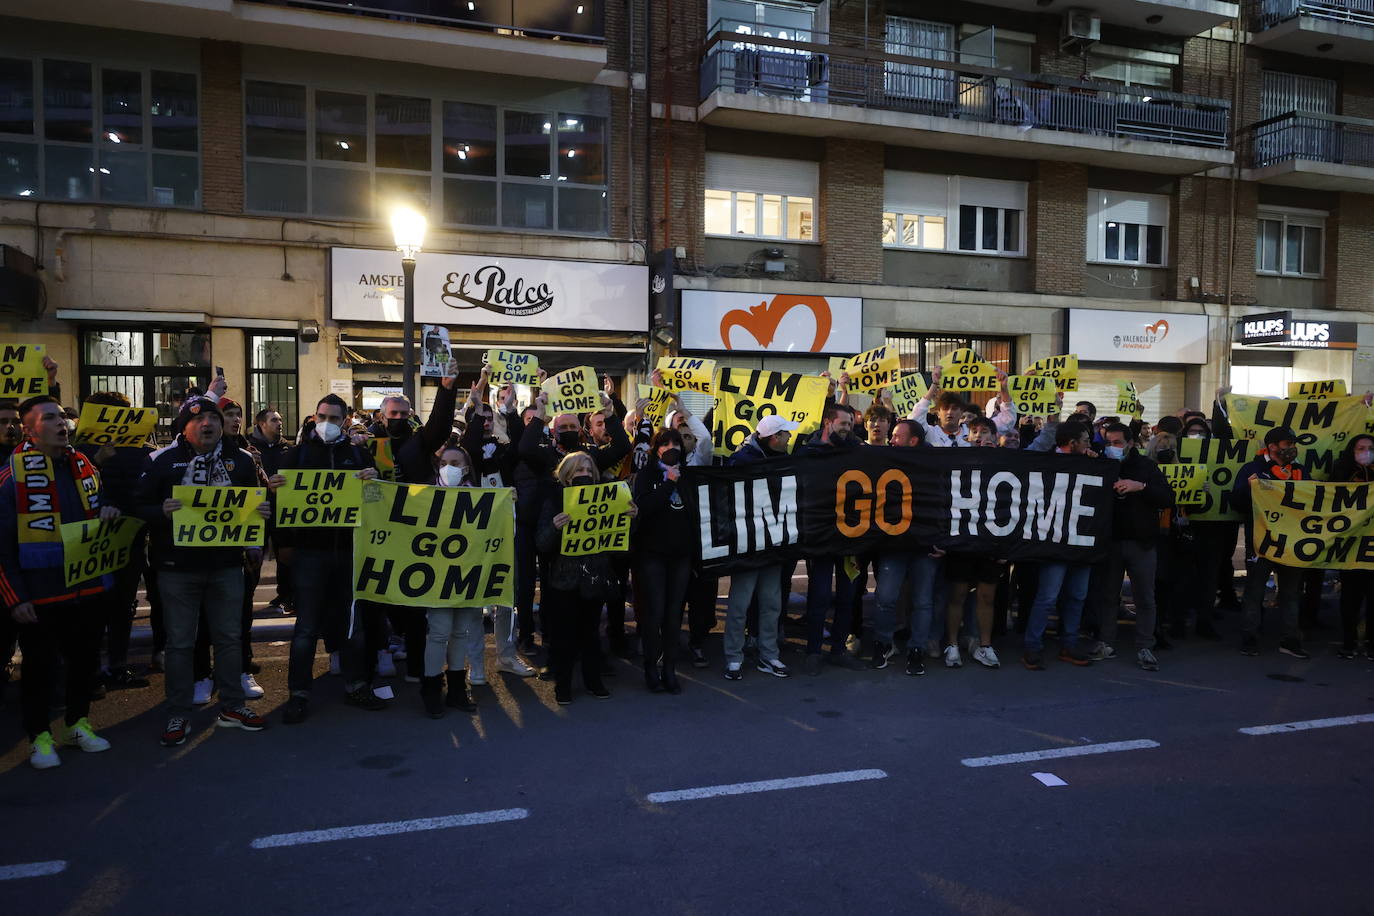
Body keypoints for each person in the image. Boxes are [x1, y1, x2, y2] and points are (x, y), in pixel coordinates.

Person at [135, 396, 270, 746]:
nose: (207, 424)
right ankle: (179, 710)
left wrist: (258, 527)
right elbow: (137, 505)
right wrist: (159, 510)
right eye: (198, 420)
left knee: (229, 638)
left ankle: (232, 706)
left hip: (225, 566)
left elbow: (251, 503)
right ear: (184, 427)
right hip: (177, 569)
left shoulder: (241, 460)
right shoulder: (161, 461)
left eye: (212, 418)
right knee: (180, 643)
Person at [0, 395, 120, 769]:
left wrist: (108, 512)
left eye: (62, 418)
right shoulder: (12, 477)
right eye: (49, 418)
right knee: (40, 669)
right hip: (40, 594)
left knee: (84, 663)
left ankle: (75, 723)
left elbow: (96, 510)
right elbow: (2, 546)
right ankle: (39, 736)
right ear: (29, 429)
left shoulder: (85, 465)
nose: (61, 424)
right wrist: (15, 597)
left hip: (87, 587)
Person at [269, 394, 385, 724]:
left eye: (334, 418)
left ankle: (357, 685)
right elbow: (278, 508)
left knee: (352, 625)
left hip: (348, 551)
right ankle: (298, 694)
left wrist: (373, 483)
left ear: (345, 420)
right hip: (310, 555)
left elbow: (376, 504)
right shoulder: (296, 456)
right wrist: (283, 542)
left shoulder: (358, 454)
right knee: (306, 628)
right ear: (314, 416)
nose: (327, 423)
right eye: (322, 416)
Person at [537, 451, 634, 704]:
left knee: (591, 633)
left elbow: (620, 544)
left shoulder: (606, 498)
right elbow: (541, 543)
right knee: (564, 635)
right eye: (579, 470)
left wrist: (630, 519)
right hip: (564, 580)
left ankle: (593, 681)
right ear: (567, 474)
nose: (586, 475)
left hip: (595, 576)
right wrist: (555, 528)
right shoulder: (556, 499)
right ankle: (563, 685)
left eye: (589, 471)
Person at [79, 391, 153, 691]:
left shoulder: (143, 449)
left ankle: (118, 666)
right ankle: (92, 671)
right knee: (93, 606)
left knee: (123, 605)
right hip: (93, 538)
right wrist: (96, 460)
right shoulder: (80, 450)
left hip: (131, 535)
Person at [1088, 422, 1174, 671]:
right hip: (1111, 542)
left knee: (1145, 597)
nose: (1112, 448)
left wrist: (1141, 487)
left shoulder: (1146, 467)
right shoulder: (1102, 465)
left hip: (1141, 542)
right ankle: (1106, 642)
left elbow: (1167, 497)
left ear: (1130, 443)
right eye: (1108, 443)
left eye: (1117, 443)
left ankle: (1145, 644)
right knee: (1108, 596)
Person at [721, 415, 796, 681]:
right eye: (786, 434)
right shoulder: (741, 461)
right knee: (740, 604)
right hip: (749, 545)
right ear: (774, 437)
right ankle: (733, 657)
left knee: (771, 603)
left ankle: (768, 654)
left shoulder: (779, 457)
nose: (790, 438)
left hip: (773, 542)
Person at [1021, 420, 1097, 671]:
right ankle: (1033, 646)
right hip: (1054, 542)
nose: (1090, 444)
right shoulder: (1043, 461)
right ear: (1072, 443)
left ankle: (1069, 644)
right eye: (1085, 440)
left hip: (1081, 539)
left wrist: (1097, 464)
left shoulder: (1091, 463)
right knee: (1048, 596)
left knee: (1077, 595)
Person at [797, 402, 866, 675]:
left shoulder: (858, 452)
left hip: (851, 539)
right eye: (843, 424)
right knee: (820, 595)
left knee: (848, 596)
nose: (848, 429)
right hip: (822, 538)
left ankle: (838, 649)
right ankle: (813, 651)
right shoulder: (808, 452)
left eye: (850, 425)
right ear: (828, 422)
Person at [1232, 426, 1310, 659]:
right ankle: (1250, 638)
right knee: (1254, 592)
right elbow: (1235, 503)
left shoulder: (1300, 470)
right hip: (1261, 541)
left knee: (1290, 592)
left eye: (1294, 444)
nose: (1292, 448)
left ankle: (1290, 639)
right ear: (1273, 446)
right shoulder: (1252, 469)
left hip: (1291, 541)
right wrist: (1248, 488)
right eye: (1288, 444)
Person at [871, 419, 939, 676]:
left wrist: (942, 539)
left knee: (922, 602)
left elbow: (944, 502)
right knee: (885, 599)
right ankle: (883, 643)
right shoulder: (885, 460)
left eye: (897, 436)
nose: (891, 440)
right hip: (894, 544)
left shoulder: (934, 467)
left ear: (913, 441)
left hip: (925, 546)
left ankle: (916, 649)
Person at [936, 417, 1006, 670]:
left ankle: (985, 646)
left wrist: (1006, 546)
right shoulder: (958, 460)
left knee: (987, 596)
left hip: (990, 539)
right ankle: (952, 644)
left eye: (984, 432)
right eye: (974, 431)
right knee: (958, 594)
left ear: (995, 435)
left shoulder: (1006, 462)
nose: (979, 436)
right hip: (963, 539)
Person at [420, 443, 483, 717]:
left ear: (466, 469)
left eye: (456, 463)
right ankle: (431, 690)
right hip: (436, 574)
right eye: (445, 462)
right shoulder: (424, 496)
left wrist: (508, 502)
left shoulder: (480, 497)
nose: (450, 468)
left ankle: (457, 689)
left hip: (467, 573)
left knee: (461, 632)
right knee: (439, 632)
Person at [632, 428, 693, 694]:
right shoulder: (647, 475)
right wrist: (668, 482)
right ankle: (650, 667)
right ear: (656, 448)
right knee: (653, 613)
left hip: (681, 556)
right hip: (652, 555)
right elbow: (644, 507)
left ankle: (670, 667)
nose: (671, 447)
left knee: (673, 615)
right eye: (665, 443)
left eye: (676, 443)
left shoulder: (689, 475)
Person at [1333, 434, 1374, 659]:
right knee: (1350, 597)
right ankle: (1348, 642)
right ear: (1352, 450)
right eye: (1361, 448)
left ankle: (1371, 643)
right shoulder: (1341, 472)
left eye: (1369, 448)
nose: (1365, 451)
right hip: (1350, 545)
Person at [250, 408, 293, 614]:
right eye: (274, 420)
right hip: (257, 511)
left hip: (282, 510)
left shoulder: (288, 448)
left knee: (285, 554)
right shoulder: (248, 448)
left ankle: (285, 595)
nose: (279, 423)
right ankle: (247, 593)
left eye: (280, 419)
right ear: (262, 424)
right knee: (254, 554)